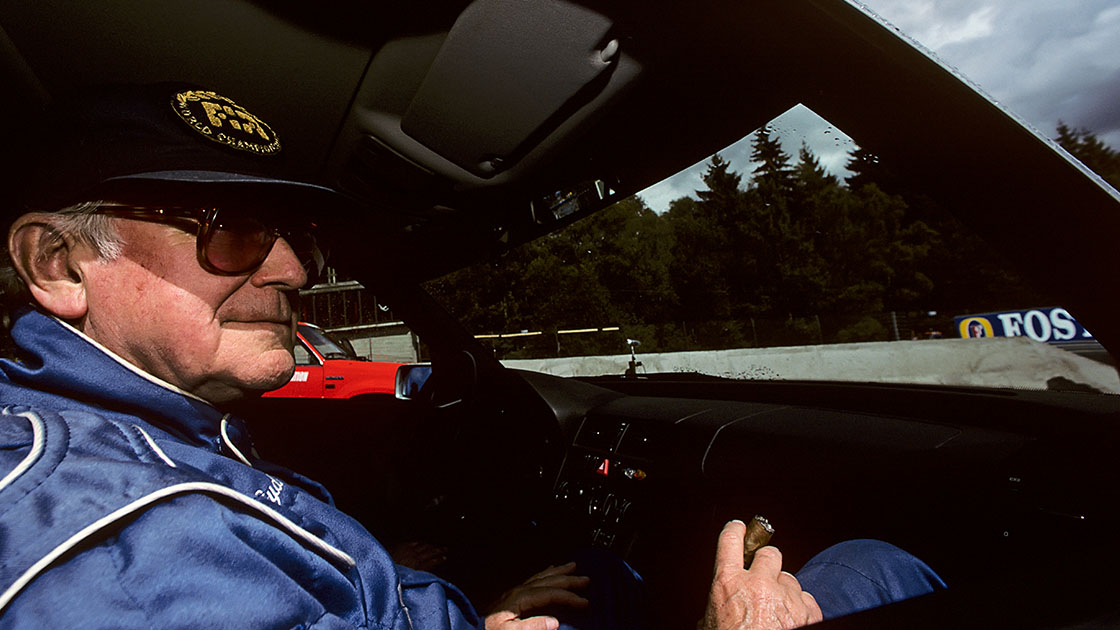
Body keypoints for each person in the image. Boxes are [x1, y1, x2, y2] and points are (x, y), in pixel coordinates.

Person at [0, 83, 943, 629]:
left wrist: (466, 607)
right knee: (874, 565)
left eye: (292, 234)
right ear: (60, 262)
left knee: (597, 574)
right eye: (235, 229)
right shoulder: (109, 550)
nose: (292, 267)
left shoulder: (153, 441)